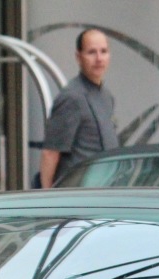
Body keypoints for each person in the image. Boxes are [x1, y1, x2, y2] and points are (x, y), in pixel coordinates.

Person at [39, 28, 116, 188]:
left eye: (104, 51)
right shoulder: (72, 97)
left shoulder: (107, 97)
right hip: (76, 195)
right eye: (91, 52)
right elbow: (50, 153)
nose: (99, 58)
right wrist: (47, 199)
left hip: (103, 191)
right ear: (78, 57)